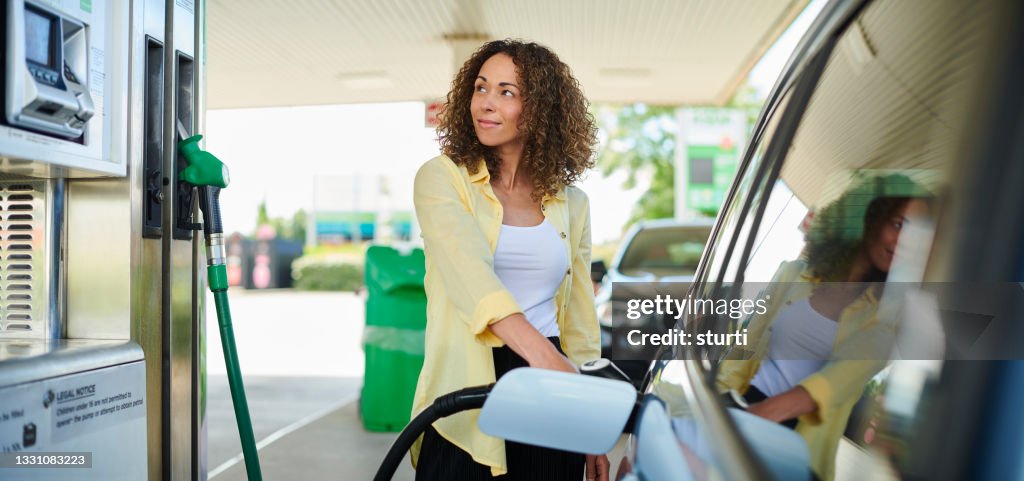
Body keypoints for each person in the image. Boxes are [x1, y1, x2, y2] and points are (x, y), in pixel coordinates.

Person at [409, 39, 609, 481]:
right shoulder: (443, 179)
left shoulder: (572, 203)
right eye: (481, 88)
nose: (486, 103)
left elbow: (579, 321)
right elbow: (469, 275)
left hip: (550, 389)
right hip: (467, 385)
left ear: (539, 109)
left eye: (506, 92)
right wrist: (546, 359)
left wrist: (591, 418)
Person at [716, 175, 930, 481]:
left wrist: (754, 419)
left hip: (795, 446)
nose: (904, 242)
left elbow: (836, 381)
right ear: (868, 218)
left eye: (918, 234)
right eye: (897, 224)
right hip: (740, 404)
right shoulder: (791, 274)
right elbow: (744, 348)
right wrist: (716, 401)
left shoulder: (890, 317)